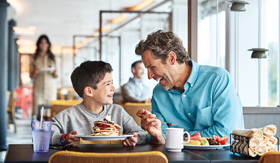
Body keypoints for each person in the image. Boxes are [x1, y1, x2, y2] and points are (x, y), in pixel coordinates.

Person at [135, 30, 244, 144]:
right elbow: (162, 139)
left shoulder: (217, 79)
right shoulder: (158, 93)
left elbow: (226, 133)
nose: (149, 76)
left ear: (172, 58)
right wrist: (155, 135)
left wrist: (176, 138)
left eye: (152, 67)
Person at [50, 61, 147, 147]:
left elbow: (141, 134)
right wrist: (64, 138)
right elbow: (46, 134)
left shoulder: (117, 111)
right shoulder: (68, 116)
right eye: (108, 84)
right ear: (89, 91)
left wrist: (135, 139)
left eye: (112, 83)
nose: (113, 88)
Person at [30, 35, 58, 118]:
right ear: (38, 44)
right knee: (38, 113)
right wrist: (35, 71)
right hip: (38, 87)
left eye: (45, 42)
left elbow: (56, 75)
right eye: (41, 43)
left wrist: (55, 71)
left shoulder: (52, 58)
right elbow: (31, 76)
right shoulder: (34, 58)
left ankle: (48, 130)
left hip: (50, 87)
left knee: (49, 112)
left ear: (48, 44)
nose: (43, 44)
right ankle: (39, 130)